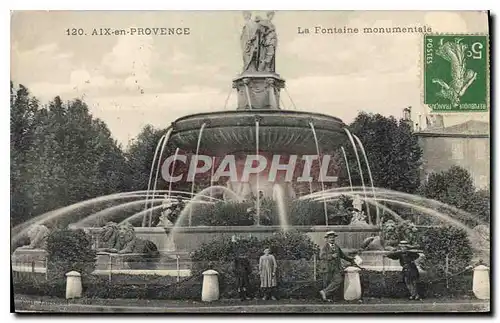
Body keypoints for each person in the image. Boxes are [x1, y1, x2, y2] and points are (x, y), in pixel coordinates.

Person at [319, 231, 355, 302]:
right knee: (328, 282)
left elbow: (342, 255)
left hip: (336, 268)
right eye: (330, 238)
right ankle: (326, 297)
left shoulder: (336, 246)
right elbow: (321, 256)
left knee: (338, 280)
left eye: (333, 238)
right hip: (327, 268)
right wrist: (331, 256)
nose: (332, 239)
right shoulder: (324, 247)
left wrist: (351, 259)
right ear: (327, 239)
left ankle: (324, 292)